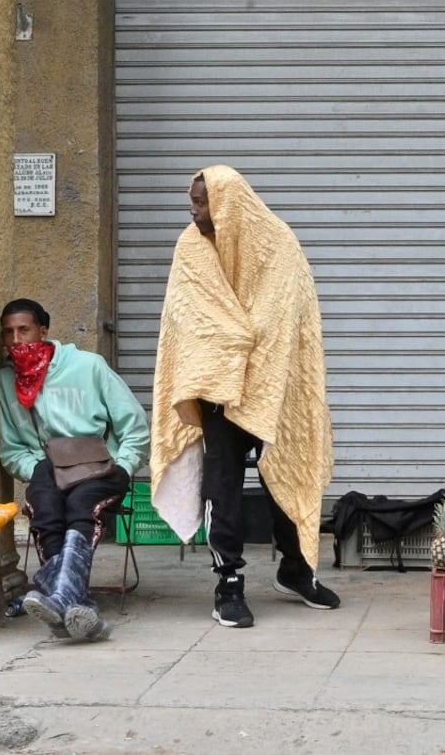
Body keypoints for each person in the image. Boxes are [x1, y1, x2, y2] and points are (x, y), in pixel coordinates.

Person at [149, 164, 339, 629]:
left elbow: (287, 317)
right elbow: (189, 317)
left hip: (277, 387)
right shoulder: (190, 248)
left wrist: (243, 344)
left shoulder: (279, 244)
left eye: (201, 202)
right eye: (192, 201)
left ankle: (297, 569)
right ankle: (227, 582)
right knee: (222, 484)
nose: (193, 212)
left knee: (288, 475)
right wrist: (233, 346)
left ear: (227, 203)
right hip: (217, 388)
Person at [0, 298, 151, 642]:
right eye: (9, 333)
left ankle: (60, 598)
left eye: (25, 329)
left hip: (99, 464)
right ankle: (77, 606)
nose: (17, 339)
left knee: (82, 505)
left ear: (43, 331)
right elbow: (11, 450)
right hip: (48, 466)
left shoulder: (88, 366)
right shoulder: (7, 381)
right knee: (45, 509)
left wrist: (124, 466)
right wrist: (37, 468)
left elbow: (135, 425)